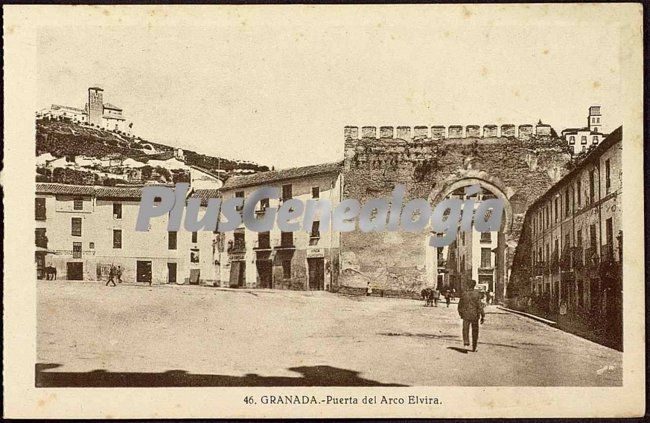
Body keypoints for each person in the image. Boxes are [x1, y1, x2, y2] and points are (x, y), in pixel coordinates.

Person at [458, 280, 485, 352]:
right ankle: (474, 347)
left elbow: (460, 306)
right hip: (475, 315)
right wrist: (483, 315)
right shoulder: (477, 294)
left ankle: (466, 344)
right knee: (475, 331)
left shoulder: (464, 294)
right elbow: (480, 306)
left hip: (466, 315)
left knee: (465, 329)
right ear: (474, 285)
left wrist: (461, 314)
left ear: (467, 285)